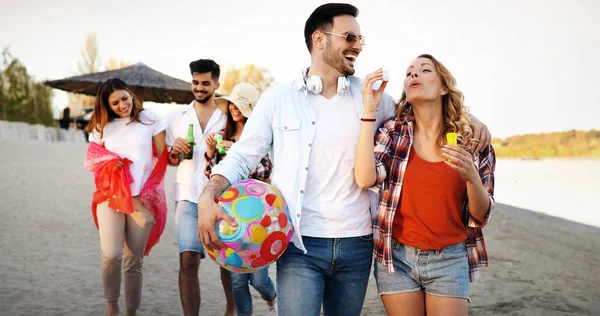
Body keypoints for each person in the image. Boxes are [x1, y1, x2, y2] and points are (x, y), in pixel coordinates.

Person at [197, 3, 490, 315]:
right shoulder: (277, 99)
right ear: (319, 39)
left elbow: (420, 111)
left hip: (358, 245)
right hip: (299, 244)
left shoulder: (373, 98)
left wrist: (469, 117)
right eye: (350, 37)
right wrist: (209, 194)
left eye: (361, 40)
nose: (358, 47)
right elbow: (242, 157)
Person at [355, 54, 496, 316]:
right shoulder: (394, 132)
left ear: (444, 88)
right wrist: (369, 112)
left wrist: (471, 176)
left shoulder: (471, 140)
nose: (413, 75)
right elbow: (365, 179)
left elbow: (481, 214)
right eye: (409, 73)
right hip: (397, 259)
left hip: (450, 260)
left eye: (424, 70)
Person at [83, 78, 168, 316]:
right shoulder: (102, 127)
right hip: (110, 198)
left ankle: (131, 311)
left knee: (133, 262)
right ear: (107, 105)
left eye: (124, 98)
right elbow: (92, 160)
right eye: (115, 102)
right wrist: (112, 163)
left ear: (131, 94)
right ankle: (112, 305)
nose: (122, 105)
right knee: (111, 255)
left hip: (141, 200)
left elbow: (163, 158)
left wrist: (180, 151)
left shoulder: (150, 118)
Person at [165, 59, 235, 316]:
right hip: (187, 197)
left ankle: (231, 310)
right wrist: (175, 151)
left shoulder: (228, 117)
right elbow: (172, 161)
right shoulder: (177, 118)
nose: (200, 87)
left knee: (227, 260)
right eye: (196, 82)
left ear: (217, 83)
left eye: (206, 83)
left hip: (222, 197)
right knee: (188, 258)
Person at [204, 82, 278, 316]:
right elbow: (210, 176)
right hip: (229, 216)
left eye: (240, 104)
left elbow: (264, 173)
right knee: (237, 282)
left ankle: (272, 297)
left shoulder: (260, 135)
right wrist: (210, 154)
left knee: (258, 279)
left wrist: (236, 153)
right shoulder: (220, 135)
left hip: (257, 216)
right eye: (232, 103)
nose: (235, 108)